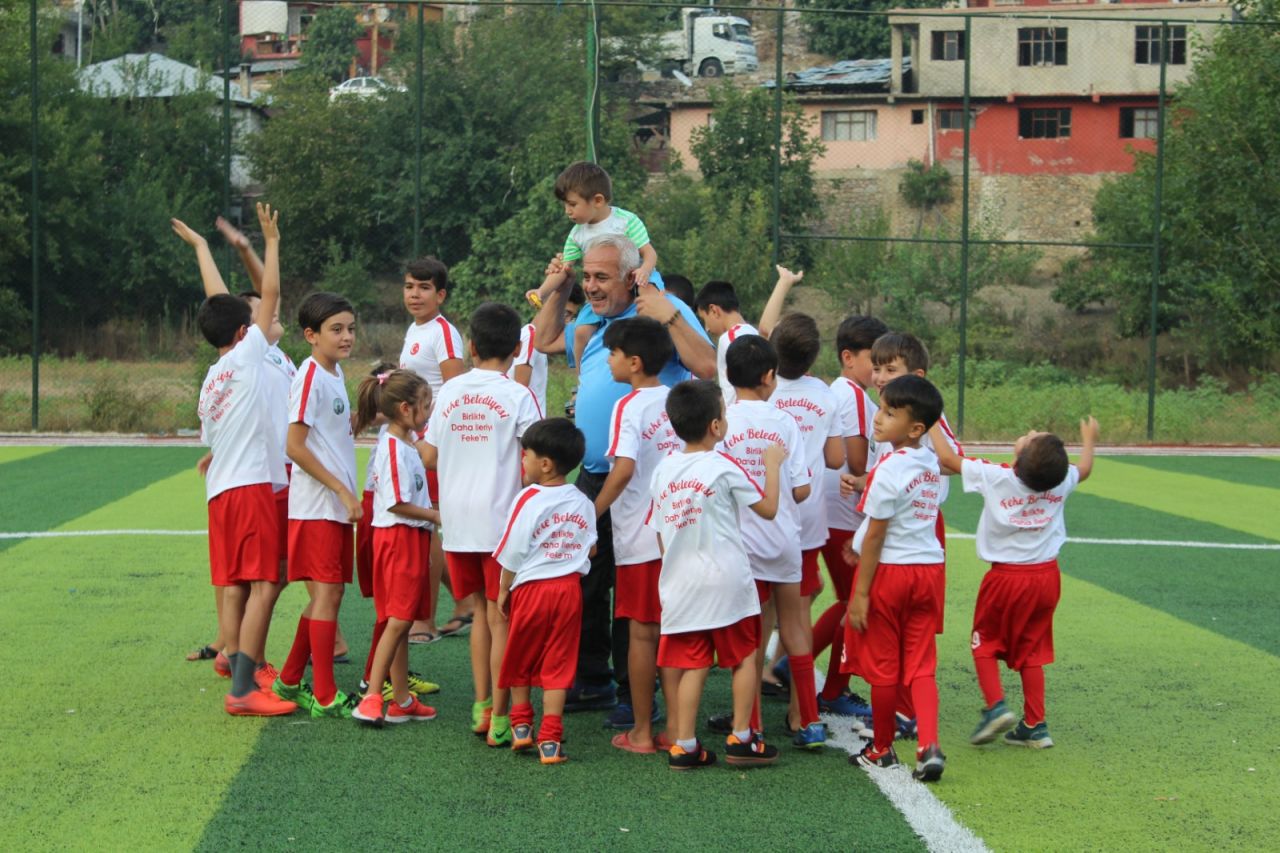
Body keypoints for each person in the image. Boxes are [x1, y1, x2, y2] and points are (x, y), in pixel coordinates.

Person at [530, 234, 714, 724]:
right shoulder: (591, 320)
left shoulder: (662, 310)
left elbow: (709, 367)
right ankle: (592, 680)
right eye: (586, 276)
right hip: (593, 474)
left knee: (637, 593)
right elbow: (544, 341)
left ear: (631, 278)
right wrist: (558, 286)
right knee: (585, 581)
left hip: (646, 485)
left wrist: (668, 313)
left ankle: (635, 694)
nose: (590, 287)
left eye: (599, 277)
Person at [931, 417, 1098, 750]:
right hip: (1047, 577)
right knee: (1033, 649)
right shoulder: (1062, 481)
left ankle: (995, 706)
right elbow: (1086, 468)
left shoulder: (998, 477)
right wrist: (1089, 439)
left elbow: (948, 460)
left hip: (1007, 578)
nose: (1032, 431)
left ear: (1018, 460)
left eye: (1032, 437)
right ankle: (1035, 725)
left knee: (984, 643)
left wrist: (932, 418)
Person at [173, 214, 293, 676]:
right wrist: (269, 242)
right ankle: (249, 670)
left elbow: (221, 306)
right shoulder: (249, 356)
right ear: (246, 332)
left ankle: (235, 656)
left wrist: (205, 248)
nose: (268, 314)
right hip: (255, 484)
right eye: (259, 316)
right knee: (266, 579)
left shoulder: (214, 377)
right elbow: (264, 296)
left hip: (226, 487)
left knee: (244, 579)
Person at [422, 302, 542, 747]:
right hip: (500, 525)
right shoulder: (517, 395)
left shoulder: (449, 392)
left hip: (457, 523)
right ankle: (502, 714)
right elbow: (532, 464)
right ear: (515, 349)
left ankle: (481, 706)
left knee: (479, 615)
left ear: (470, 346)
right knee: (500, 617)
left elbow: (430, 455)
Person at [648, 379, 783, 770]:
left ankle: (685, 745)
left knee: (693, 664)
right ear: (716, 426)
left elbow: (661, 535)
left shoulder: (663, 471)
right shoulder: (723, 465)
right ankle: (742, 738)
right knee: (743, 656)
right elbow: (769, 508)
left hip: (680, 583)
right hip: (727, 581)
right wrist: (772, 464)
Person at [718, 335, 824, 750]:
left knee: (750, 637)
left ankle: (753, 724)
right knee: (794, 628)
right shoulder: (784, 423)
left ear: (728, 375)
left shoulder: (723, 421)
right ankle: (808, 722)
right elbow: (801, 492)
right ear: (769, 377)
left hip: (741, 545)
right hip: (783, 542)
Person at [844, 374, 948, 782]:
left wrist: (861, 594)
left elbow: (876, 533)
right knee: (921, 665)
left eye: (890, 413)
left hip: (891, 573)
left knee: (884, 668)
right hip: (929, 571)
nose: (878, 418)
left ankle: (882, 748)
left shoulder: (890, 468)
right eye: (881, 408)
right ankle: (929, 744)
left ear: (916, 428)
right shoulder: (927, 462)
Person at [593, 318, 683, 753]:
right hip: (679, 535)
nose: (607, 360)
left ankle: (644, 731)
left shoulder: (629, 407)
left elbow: (624, 468)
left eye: (611, 353)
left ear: (633, 362)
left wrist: (591, 513)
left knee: (642, 635)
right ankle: (679, 731)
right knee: (673, 632)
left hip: (642, 539)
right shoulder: (678, 401)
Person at [272, 291, 361, 718]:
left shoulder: (334, 372)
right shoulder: (309, 376)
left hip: (333, 507)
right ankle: (324, 694)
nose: (347, 337)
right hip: (317, 507)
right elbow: (295, 446)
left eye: (350, 328)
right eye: (336, 330)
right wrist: (342, 490)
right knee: (327, 594)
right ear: (311, 335)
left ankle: (290, 679)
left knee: (330, 594)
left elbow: (332, 434)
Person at [494, 418, 598, 765]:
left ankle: (521, 725)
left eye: (526, 455)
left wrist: (503, 587)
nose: (521, 461)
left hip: (531, 590)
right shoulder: (582, 501)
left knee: (520, 653)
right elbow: (591, 548)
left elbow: (513, 548)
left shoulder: (528, 498)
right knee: (559, 662)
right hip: (569, 592)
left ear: (545, 464)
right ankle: (550, 741)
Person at [767, 312, 847, 732]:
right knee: (797, 620)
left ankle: (749, 718)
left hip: (765, 516)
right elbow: (835, 459)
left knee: (759, 617)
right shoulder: (826, 394)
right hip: (809, 517)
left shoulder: (762, 391)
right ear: (815, 356)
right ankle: (803, 716)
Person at [350, 370, 442, 726]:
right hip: (399, 538)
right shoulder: (393, 449)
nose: (429, 411)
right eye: (425, 405)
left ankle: (402, 700)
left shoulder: (406, 443)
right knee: (399, 620)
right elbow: (396, 504)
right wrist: (437, 513)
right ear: (406, 408)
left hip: (411, 537)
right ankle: (373, 695)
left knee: (400, 622)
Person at [814, 314, 888, 718]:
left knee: (846, 601)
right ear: (848, 357)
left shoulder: (833, 391)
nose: (878, 373)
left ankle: (792, 664)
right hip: (844, 516)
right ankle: (831, 687)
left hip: (826, 513)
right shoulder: (855, 397)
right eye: (873, 363)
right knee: (853, 603)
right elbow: (857, 462)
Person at [528, 162, 661, 371]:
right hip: (602, 288)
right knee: (581, 331)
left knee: (649, 299)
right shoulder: (577, 233)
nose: (567, 211)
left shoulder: (626, 221)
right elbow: (565, 269)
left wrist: (644, 270)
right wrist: (542, 291)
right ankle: (583, 378)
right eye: (565, 205)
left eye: (572, 204)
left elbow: (649, 253)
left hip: (637, 275)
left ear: (597, 200)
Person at [399, 256, 470, 644]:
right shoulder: (416, 328)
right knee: (429, 529)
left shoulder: (442, 332)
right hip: (417, 441)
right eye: (410, 286)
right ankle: (465, 601)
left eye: (424, 287)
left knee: (424, 530)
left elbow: (454, 389)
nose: (415, 294)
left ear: (440, 294)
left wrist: (431, 438)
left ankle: (423, 623)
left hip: (433, 444)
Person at [693, 280, 758, 407]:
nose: (707, 328)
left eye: (704, 319)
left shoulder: (729, 339)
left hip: (736, 416)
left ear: (714, 310)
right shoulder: (756, 334)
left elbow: (733, 391)